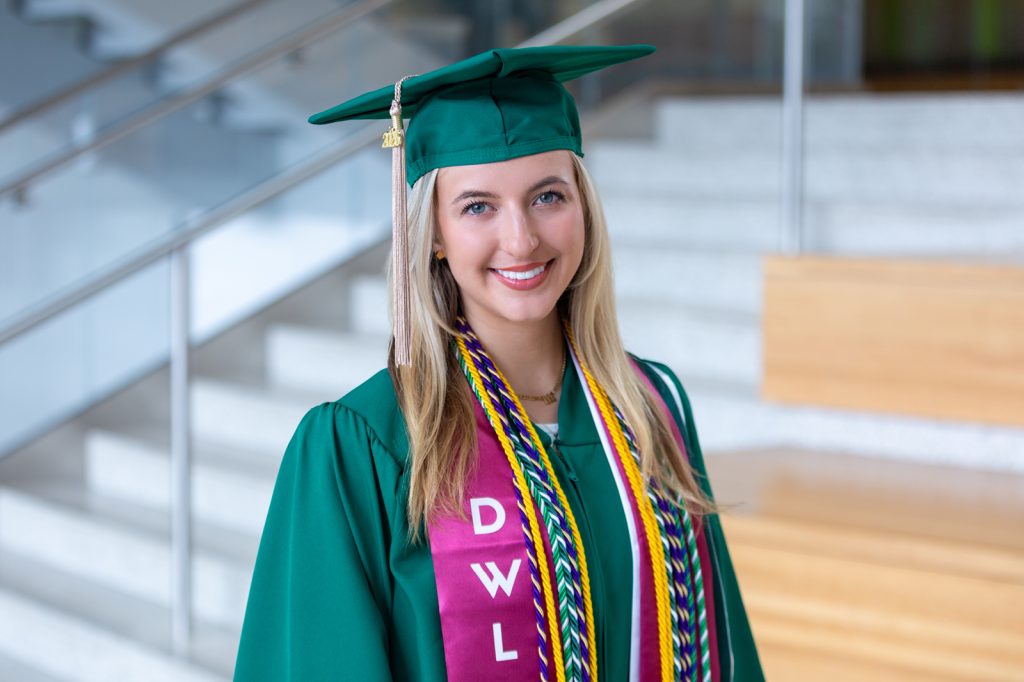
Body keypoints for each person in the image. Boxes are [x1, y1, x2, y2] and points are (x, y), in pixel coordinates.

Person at [234, 44, 764, 682]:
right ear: (433, 233)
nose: (522, 239)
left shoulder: (651, 405)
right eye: (478, 206)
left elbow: (724, 648)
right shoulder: (365, 446)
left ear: (584, 210)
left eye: (547, 197)